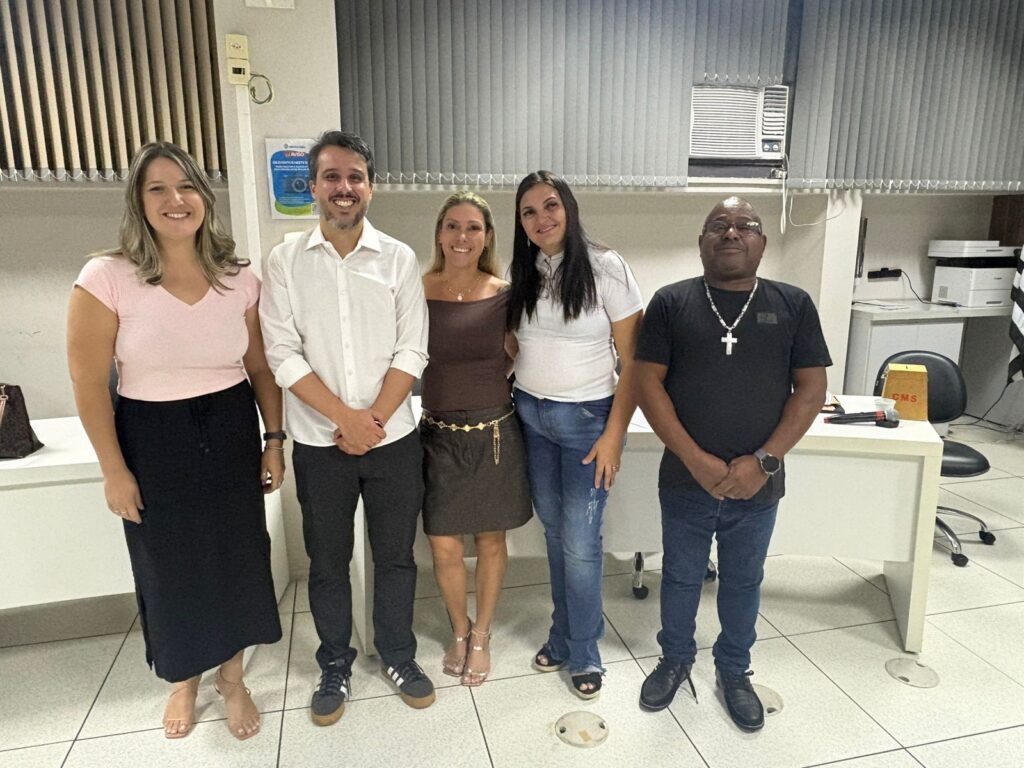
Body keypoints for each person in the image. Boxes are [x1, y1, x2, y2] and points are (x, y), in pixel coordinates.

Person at [67, 142, 285, 741]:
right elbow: (88, 385)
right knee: (169, 567)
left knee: (239, 556)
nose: (175, 199)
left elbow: (262, 369)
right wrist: (114, 470)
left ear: (204, 198)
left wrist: (273, 441)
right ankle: (183, 678)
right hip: (150, 435)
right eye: (157, 188)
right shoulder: (107, 276)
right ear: (138, 201)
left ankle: (232, 678)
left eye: (185, 186)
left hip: (229, 426)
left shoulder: (238, 276)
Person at [634, 197, 831, 731]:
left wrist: (763, 462)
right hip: (684, 479)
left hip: (758, 484)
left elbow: (812, 390)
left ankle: (734, 671)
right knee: (678, 577)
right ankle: (675, 659)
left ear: (763, 243)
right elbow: (646, 384)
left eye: (746, 225)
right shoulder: (670, 303)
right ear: (701, 242)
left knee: (744, 581)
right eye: (718, 225)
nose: (732, 233)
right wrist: (695, 459)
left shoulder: (793, 304)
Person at [259, 130, 433, 726]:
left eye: (355, 176)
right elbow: (283, 355)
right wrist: (346, 419)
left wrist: (374, 420)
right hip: (319, 442)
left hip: (393, 439)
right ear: (313, 187)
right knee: (327, 560)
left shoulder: (400, 259)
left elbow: (411, 352)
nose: (344, 188)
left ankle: (398, 655)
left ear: (370, 186)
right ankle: (335, 661)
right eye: (332, 177)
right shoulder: (284, 262)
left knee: (395, 557)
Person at [507, 171, 644, 700]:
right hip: (532, 418)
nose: (542, 220)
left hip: (589, 422)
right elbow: (518, 346)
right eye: (529, 212)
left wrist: (615, 435)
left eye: (550, 206)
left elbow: (633, 361)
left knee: (583, 545)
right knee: (557, 535)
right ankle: (562, 636)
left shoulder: (606, 266)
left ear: (569, 208)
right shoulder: (521, 271)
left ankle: (585, 651)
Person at [420, 192, 533, 687]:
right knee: (443, 545)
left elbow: (520, 352)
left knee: (490, 540)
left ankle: (483, 634)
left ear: (487, 236)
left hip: (492, 433)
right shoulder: (415, 289)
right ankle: (459, 631)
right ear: (439, 234)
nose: (461, 237)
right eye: (452, 226)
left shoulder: (505, 294)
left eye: (473, 228)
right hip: (436, 435)